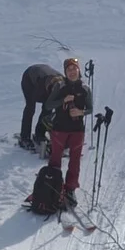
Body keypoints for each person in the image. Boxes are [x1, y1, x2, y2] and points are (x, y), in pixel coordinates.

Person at [43, 57, 92, 207]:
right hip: (59, 129)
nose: (72, 72)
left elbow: (90, 108)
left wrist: (81, 112)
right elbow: (48, 105)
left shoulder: (85, 88)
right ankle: (54, 186)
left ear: (79, 70)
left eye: (74, 68)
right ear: (65, 72)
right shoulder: (60, 86)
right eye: (68, 69)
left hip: (77, 130)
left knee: (75, 161)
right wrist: (62, 101)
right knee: (55, 159)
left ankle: (70, 189)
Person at [18, 63, 63, 151]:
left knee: (48, 109)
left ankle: (40, 133)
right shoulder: (40, 86)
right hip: (29, 79)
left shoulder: (64, 84)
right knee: (30, 108)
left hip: (46, 77)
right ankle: (24, 137)